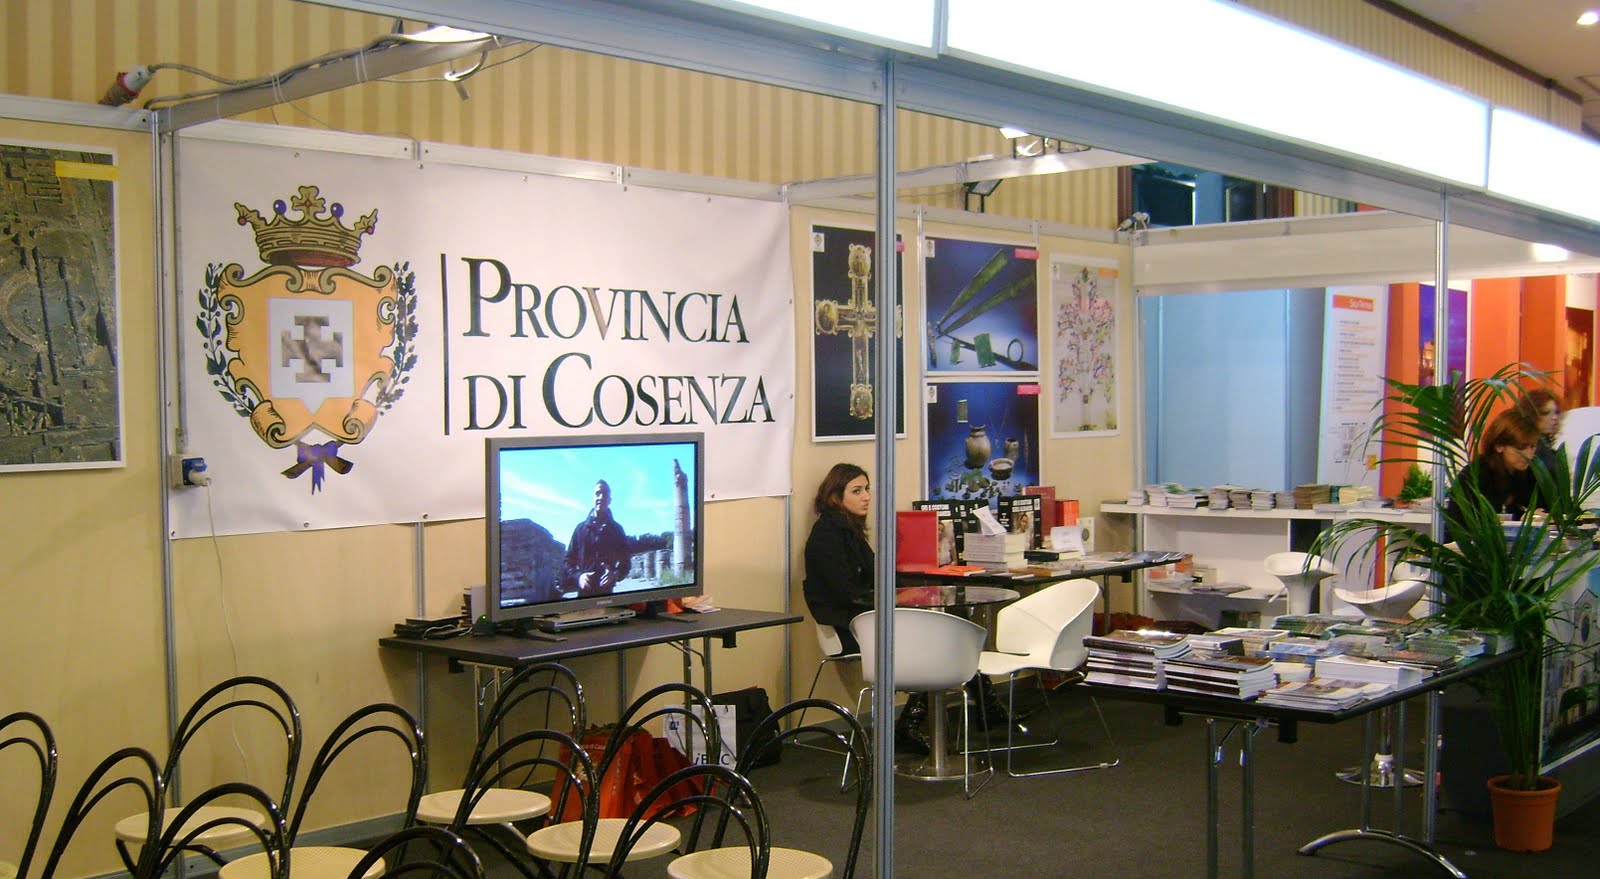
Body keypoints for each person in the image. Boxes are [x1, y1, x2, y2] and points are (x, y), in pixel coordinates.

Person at [802, 464, 1007, 754]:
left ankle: (977, 707)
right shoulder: (829, 536)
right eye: (857, 491)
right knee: (941, 637)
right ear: (835, 496)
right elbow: (847, 593)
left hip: (868, 618)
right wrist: (899, 596)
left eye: (867, 489)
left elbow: (875, 575)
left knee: (949, 622)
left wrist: (907, 589)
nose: (866, 497)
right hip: (851, 626)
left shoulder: (847, 530)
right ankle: (932, 718)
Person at [1446, 409, 1541, 538]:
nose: (1529, 455)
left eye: (1532, 447)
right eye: (1520, 448)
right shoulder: (1476, 476)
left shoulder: (1530, 473)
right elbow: (1463, 525)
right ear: (1499, 446)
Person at [563, 480, 631, 597]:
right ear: (593, 498)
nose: (601, 497)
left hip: (607, 597)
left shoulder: (617, 530)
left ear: (610, 500)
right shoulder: (580, 529)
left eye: (605, 494)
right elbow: (568, 561)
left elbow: (626, 563)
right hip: (584, 596)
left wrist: (615, 575)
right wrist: (579, 577)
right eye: (597, 493)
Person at [1518, 388, 1563, 478]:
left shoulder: (1545, 444)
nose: (1554, 417)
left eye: (1556, 412)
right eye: (1545, 413)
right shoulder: (1527, 446)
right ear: (1531, 413)